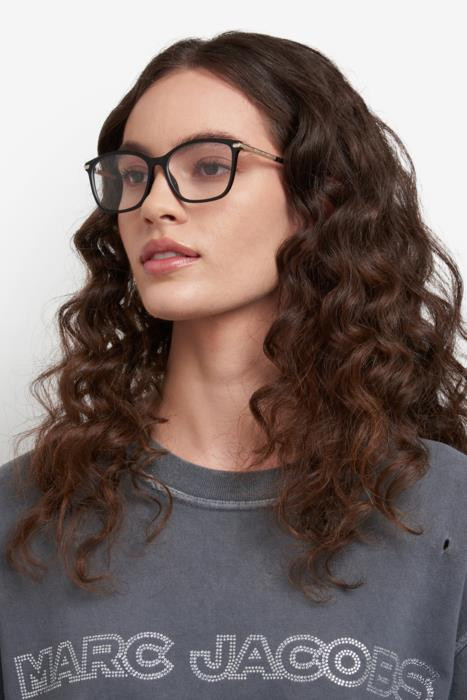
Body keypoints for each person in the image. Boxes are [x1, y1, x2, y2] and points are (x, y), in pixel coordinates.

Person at [0, 30, 466, 699]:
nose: (154, 204)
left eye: (209, 167)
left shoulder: (446, 513)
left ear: (319, 199)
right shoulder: (20, 516)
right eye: (133, 175)